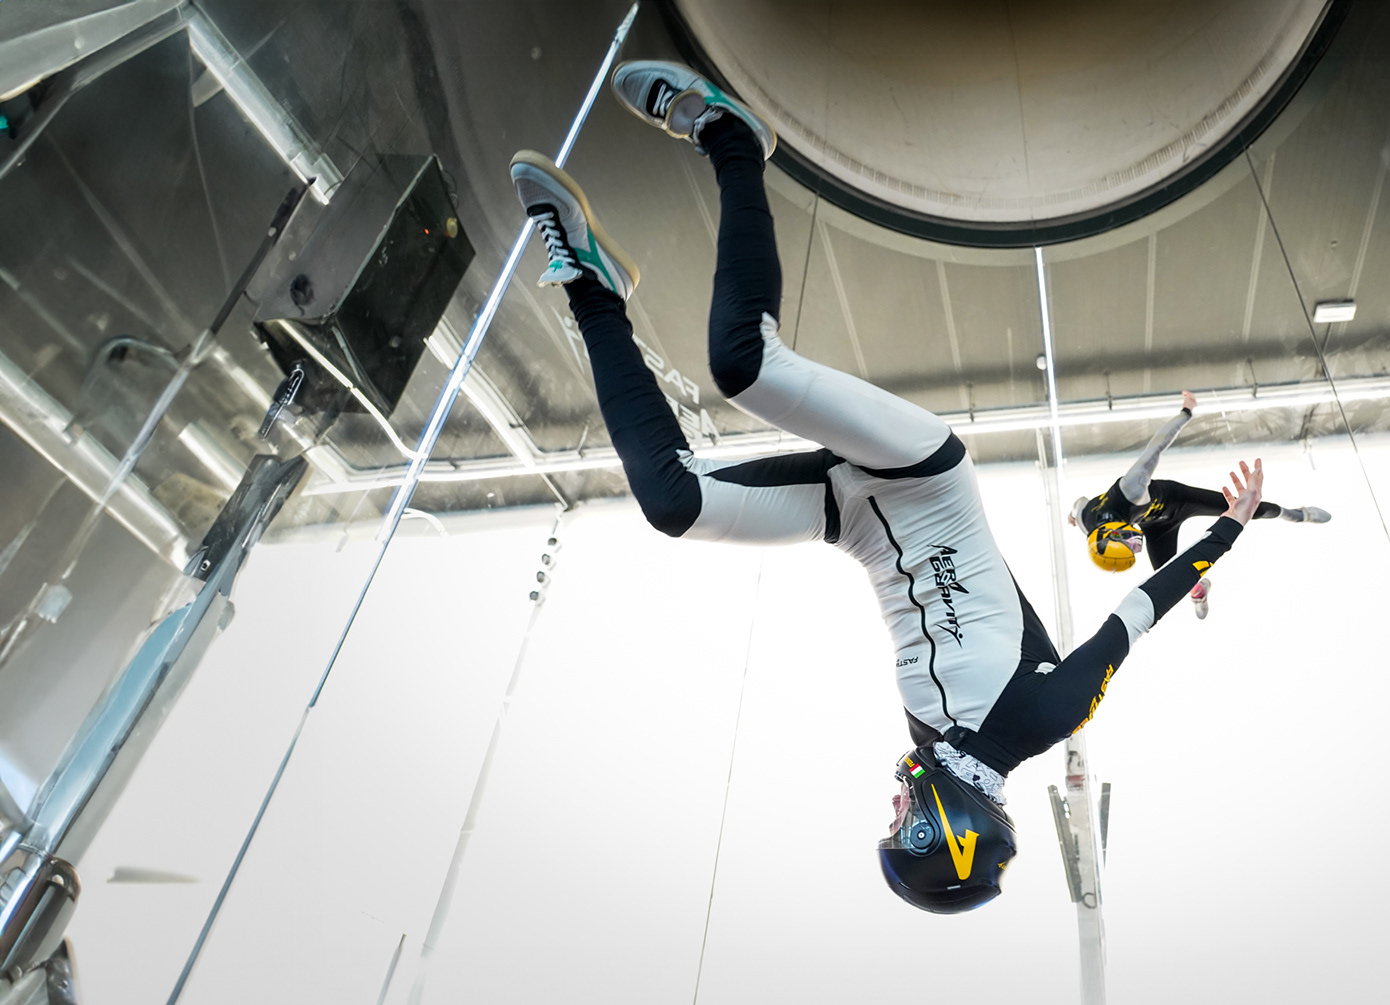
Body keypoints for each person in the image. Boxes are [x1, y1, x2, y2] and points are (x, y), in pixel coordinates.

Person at [509, 61, 1266, 914]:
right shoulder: (1042, 718)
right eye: (904, 823)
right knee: (744, 364)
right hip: (926, 479)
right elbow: (1134, 614)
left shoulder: (932, 738)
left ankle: (590, 286)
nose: (895, 804)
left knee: (673, 504)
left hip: (854, 520)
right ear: (950, 829)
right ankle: (731, 138)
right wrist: (1227, 529)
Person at [1069, 393, 1331, 618]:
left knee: (1250, 507)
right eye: (1136, 547)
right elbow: (1078, 504)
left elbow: (1156, 446)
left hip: (1179, 500)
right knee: (1170, 579)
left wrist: (1186, 411)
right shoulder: (1088, 524)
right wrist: (1072, 515)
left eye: (1131, 542)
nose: (1137, 545)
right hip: (1155, 527)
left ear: (1113, 532)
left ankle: (1297, 514)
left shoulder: (1130, 490)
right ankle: (1198, 590)